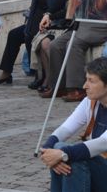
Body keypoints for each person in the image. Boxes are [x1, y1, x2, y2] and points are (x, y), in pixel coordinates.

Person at [40, 57, 107, 192]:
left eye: (91, 81)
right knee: (60, 147)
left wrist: (62, 154)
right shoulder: (90, 101)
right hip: (101, 169)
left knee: (72, 157)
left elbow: (103, 143)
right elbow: (66, 128)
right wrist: (48, 149)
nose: (84, 86)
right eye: (86, 79)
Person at [31, 0, 77, 92]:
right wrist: (48, 15)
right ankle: (49, 79)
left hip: (73, 25)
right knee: (41, 40)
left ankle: (56, 83)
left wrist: (52, 16)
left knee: (48, 44)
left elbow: (70, 12)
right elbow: (59, 7)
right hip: (63, 22)